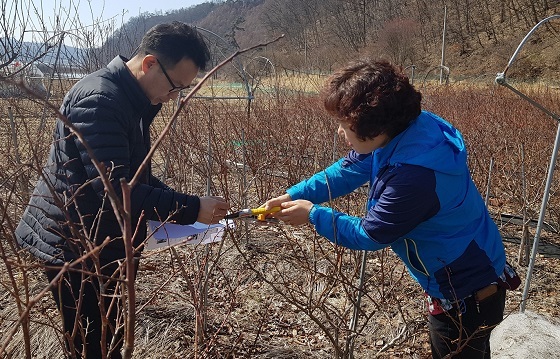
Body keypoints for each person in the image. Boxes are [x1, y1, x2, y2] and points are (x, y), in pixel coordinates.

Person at [264, 60, 519, 358]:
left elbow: (371, 234)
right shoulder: (406, 130)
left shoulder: (414, 177)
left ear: (375, 128)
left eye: (346, 126)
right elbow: (346, 170)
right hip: (461, 264)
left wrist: (313, 215)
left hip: (466, 287)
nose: (339, 132)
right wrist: (293, 194)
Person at [15, 22, 230, 358]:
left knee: (106, 336)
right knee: (94, 344)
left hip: (98, 240)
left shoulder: (130, 99)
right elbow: (116, 192)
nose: (174, 98)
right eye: (176, 87)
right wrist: (189, 208)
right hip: (74, 248)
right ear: (149, 64)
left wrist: (192, 208)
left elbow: (135, 177)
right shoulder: (102, 100)